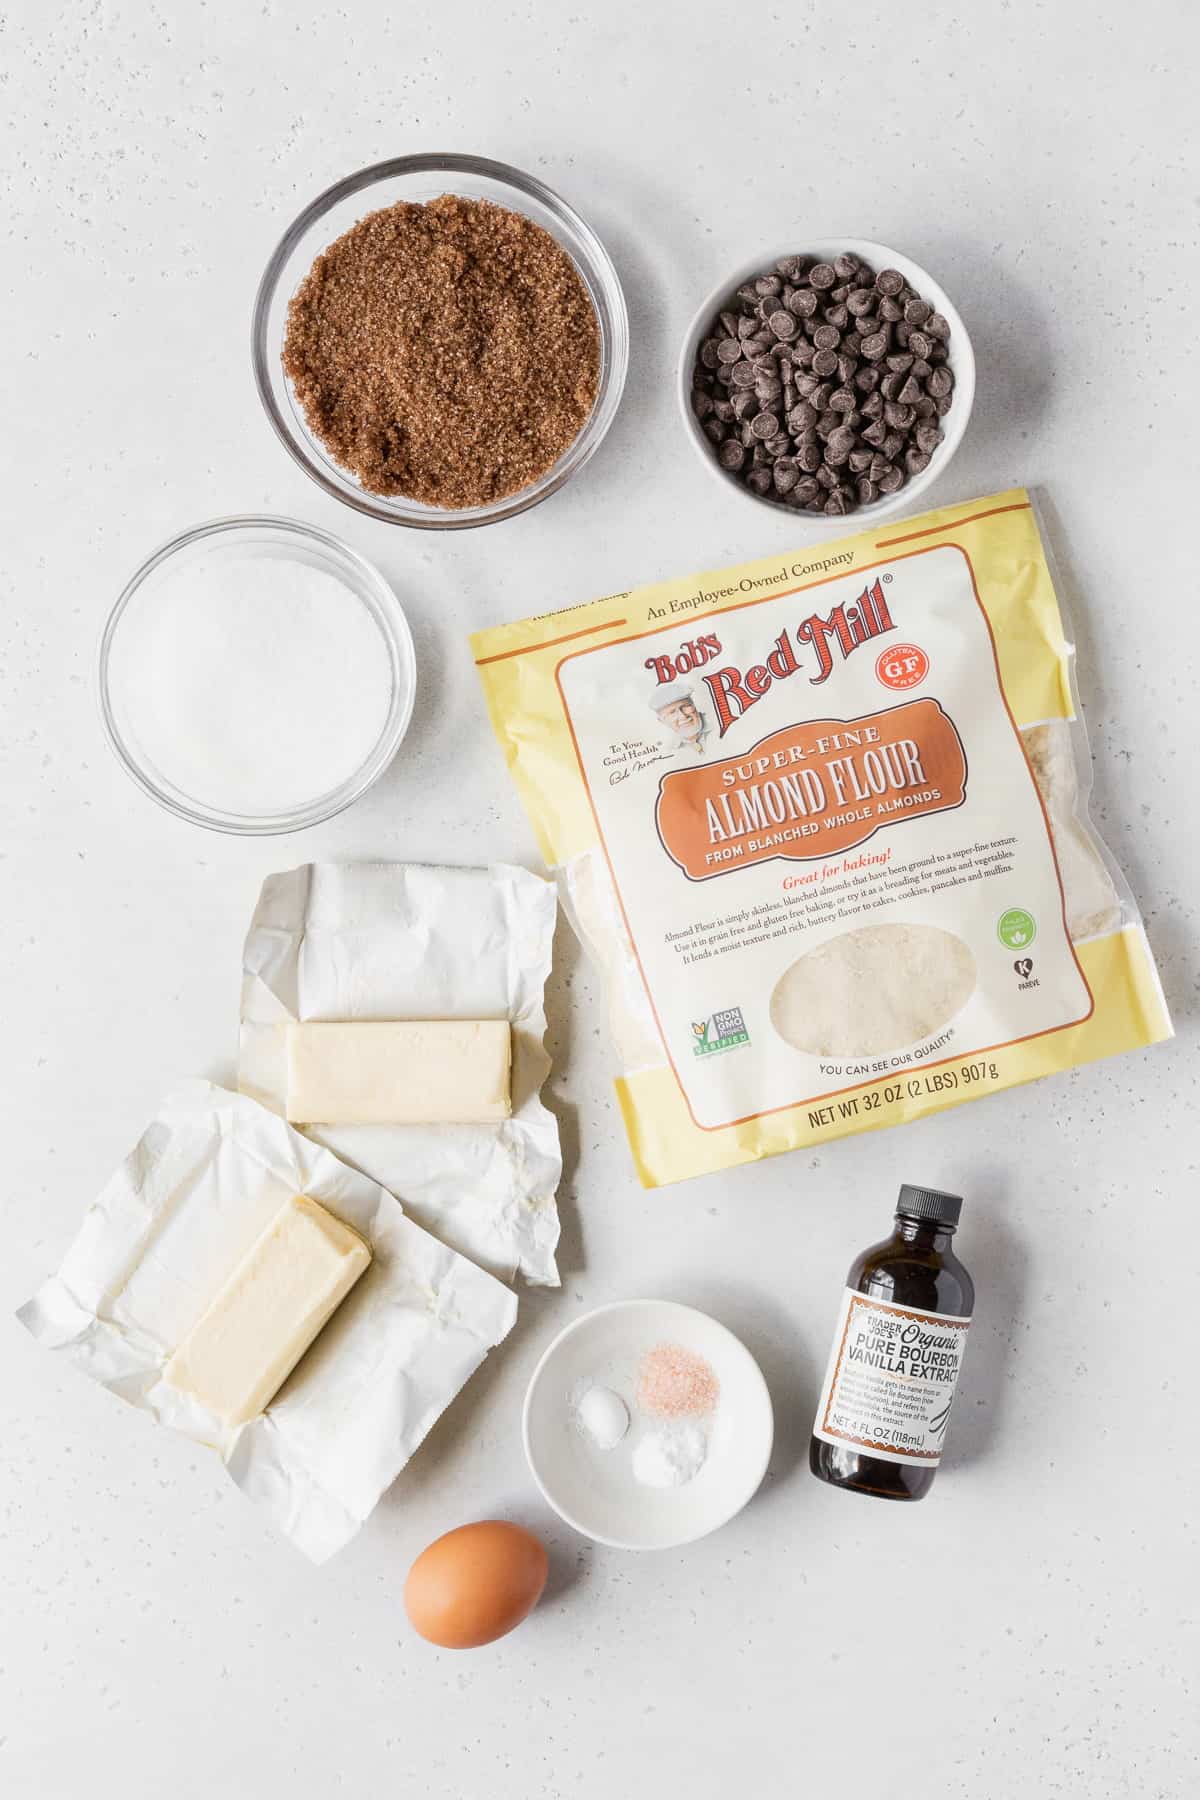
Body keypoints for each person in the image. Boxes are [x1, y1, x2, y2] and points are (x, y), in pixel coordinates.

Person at [652, 680, 710, 756]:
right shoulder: (668, 750)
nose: (683, 716)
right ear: (662, 721)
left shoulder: (717, 724)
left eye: (685, 706)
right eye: (672, 712)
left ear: (694, 705)